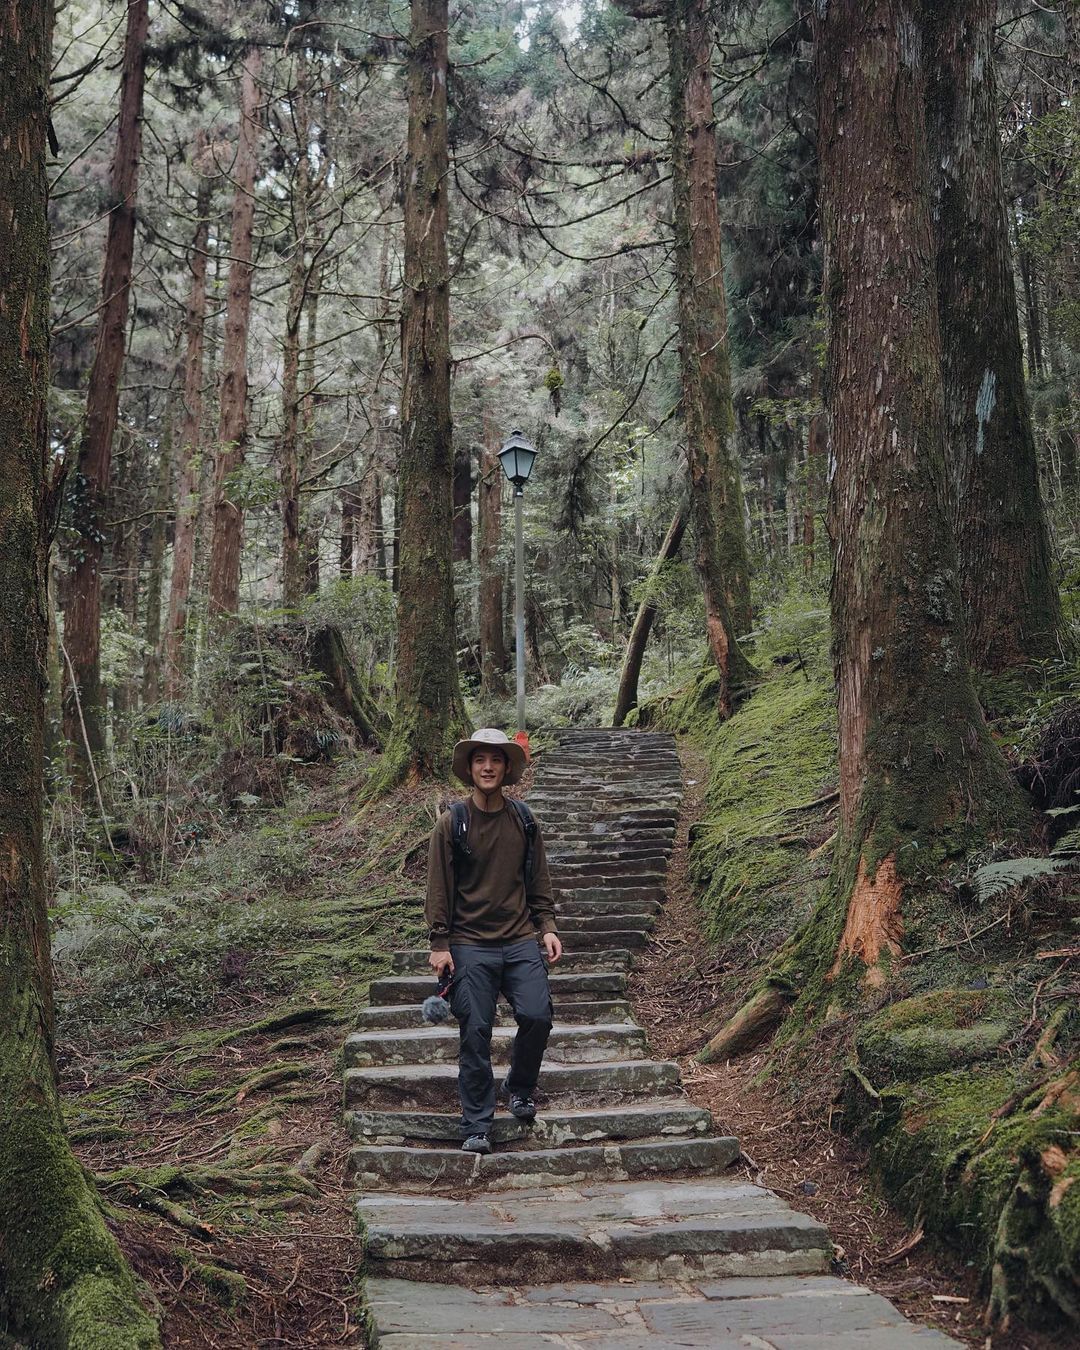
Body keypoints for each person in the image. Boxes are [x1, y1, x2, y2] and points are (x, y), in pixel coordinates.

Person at [425, 728, 563, 1154]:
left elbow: (537, 878)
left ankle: (519, 1088)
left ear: (507, 769)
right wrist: (439, 942)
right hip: (469, 943)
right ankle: (477, 1125)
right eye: (480, 760)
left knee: (538, 1016)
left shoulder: (523, 819)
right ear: (470, 768)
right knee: (476, 1031)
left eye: (496, 760)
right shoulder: (453, 823)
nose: (488, 767)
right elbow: (438, 887)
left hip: (520, 938)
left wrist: (548, 926)